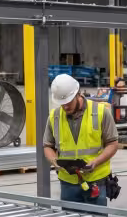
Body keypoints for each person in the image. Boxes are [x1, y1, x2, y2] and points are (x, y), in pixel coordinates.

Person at [44, 73, 119, 206]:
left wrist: (96, 161)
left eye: (68, 102)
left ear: (78, 94)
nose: (65, 107)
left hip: (96, 180)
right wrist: (54, 162)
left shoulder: (100, 112)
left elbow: (113, 144)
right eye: (62, 104)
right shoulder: (54, 117)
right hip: (68, 183)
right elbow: (47, 145)